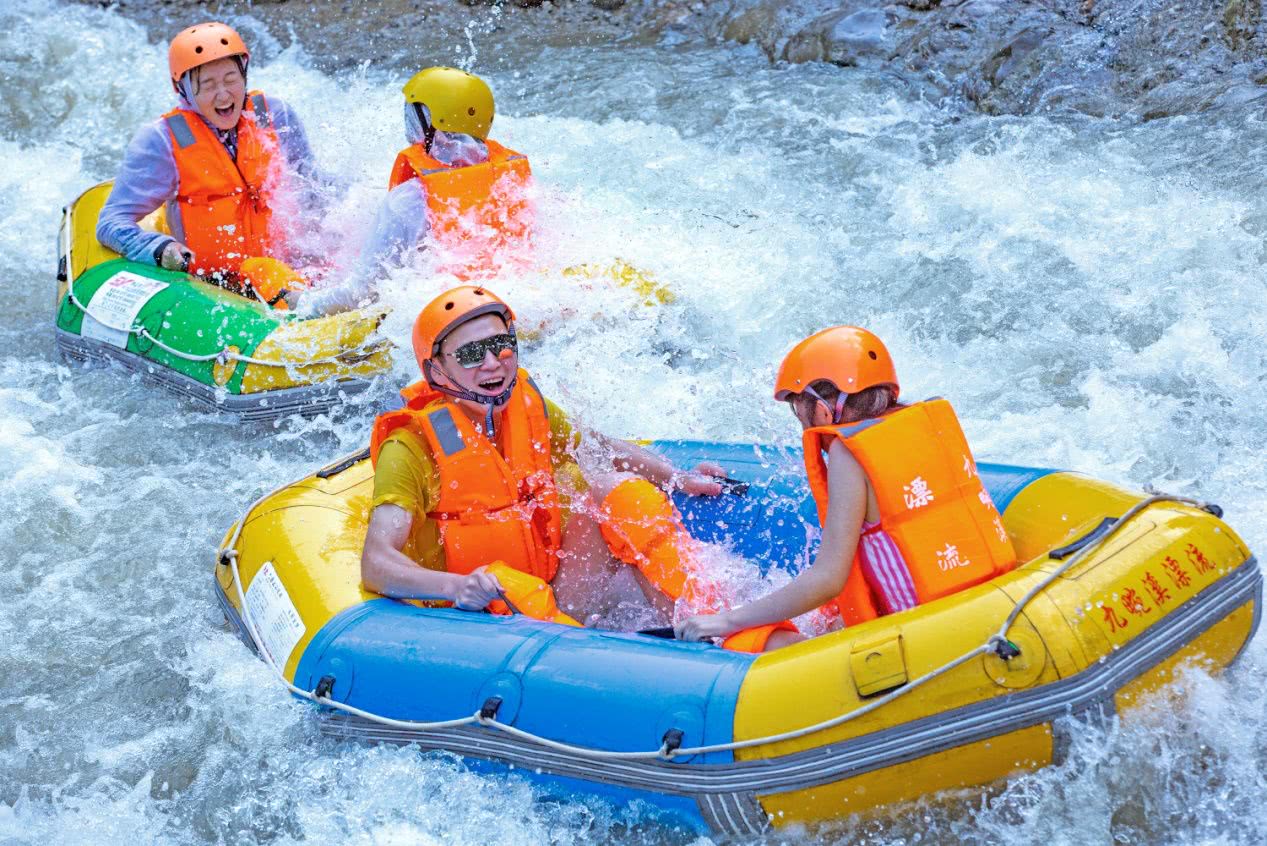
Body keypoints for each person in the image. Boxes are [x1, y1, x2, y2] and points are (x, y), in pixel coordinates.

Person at [360, 286, 797, 651]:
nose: (493, 363)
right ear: (435, 369)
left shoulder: (527, 408)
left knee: (616, 489)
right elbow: (377, 563)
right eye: (473, 353)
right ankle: (593, 667)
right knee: (504, 581)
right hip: (475, 619)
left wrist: (677, 478)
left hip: (552, 592)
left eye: (501, 345)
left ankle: (714, 628)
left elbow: (600, 448)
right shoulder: (411, 447)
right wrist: (457, 588)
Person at [674, 326, 1018, 650]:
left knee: (750, 640)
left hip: (923, 643)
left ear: (823, 410)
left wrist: (725, 620)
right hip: (984, 611)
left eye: (798, 409)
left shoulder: (849, 453)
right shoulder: (924, 424)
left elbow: (828, 580)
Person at [96, 22, 324, 307]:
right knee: (266, 271)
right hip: (215, 282)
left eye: (230, 79)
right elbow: (110, 222)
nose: (224, 94)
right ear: (184, 90)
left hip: (288, 262)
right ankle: (312, 312)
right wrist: (159, 249)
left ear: (244, 73)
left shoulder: (274, 114)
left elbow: (312, 186)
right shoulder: (162, 141)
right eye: (208, 85)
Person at [298, 67, 531, 316]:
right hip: (508, 309)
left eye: (411, 112)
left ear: (431, 121)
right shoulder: (513, 182)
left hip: (449, 320)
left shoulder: (410, 198)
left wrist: (306, 307)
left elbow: (362, 292)